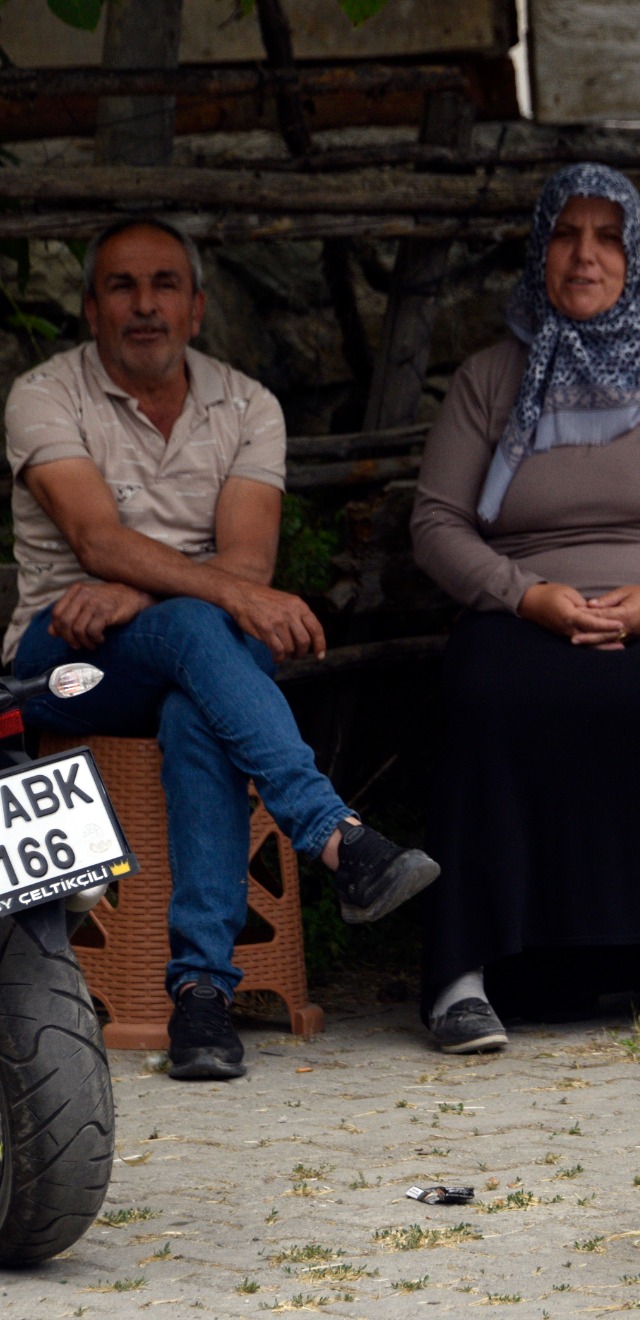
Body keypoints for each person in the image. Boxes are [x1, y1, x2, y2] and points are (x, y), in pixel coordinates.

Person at [4, 217, 438, 1081]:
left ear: (197, 307)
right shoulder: (44, 396)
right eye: (122, 287)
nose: (145, 304)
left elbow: (247, 561)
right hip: (69, 658)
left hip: (191, 657)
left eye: (165, 284)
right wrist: (193, 592)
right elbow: (96, 539)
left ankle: (201, 999)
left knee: (196, 703)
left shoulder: (246, 406)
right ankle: (335, 835)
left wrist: (151, 587)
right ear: (91, 308)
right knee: (206, 625)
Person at [411, 164, 640, 1052]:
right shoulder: (491, 377)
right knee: (490, 697)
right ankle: (466, 974)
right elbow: (436, 522)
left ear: (635, 254)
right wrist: (523, 595)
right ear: (541, 249)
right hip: (526, 606)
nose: (586, 255)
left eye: (608, 236)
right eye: (567, 236)